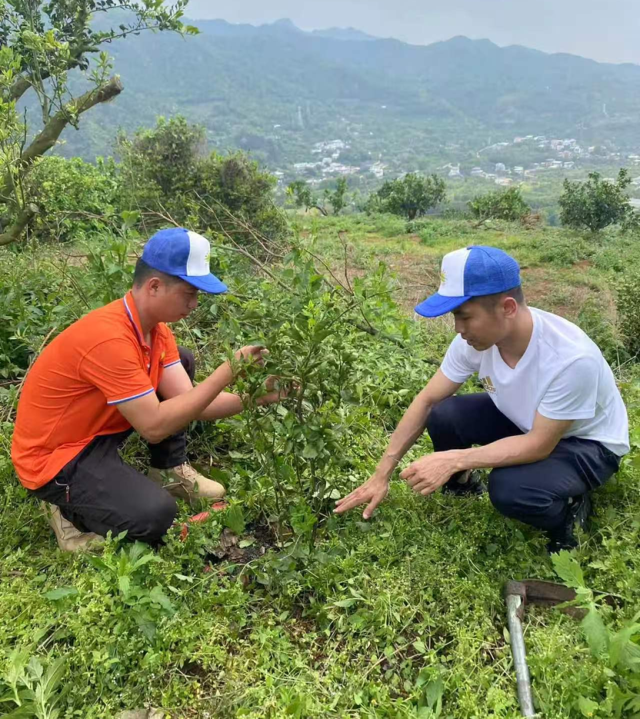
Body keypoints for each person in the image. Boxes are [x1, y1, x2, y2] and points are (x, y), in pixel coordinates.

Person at [335, 245, 629, 552]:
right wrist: (381, 474)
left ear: (508, 308)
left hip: (586, 443)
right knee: (444, 414)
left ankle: (568, 512)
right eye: (454, 317)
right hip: (529, 420)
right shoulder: (475, 341)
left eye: (465, 317)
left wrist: (454, 458)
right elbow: (427, 400)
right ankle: (462, 485)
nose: (458, 329)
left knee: (510, 488)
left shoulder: (570, 359)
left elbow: (539, 444)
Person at [12, 227, 285, 552]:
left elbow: (195, 403)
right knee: (155, 516)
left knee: (180, 360)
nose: (195, 304)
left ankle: (167, 470)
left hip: (95, 434)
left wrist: (259, 397)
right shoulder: (110, 339)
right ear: (155, 286)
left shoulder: (155, 332)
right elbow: (154, 427)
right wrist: (229, 370)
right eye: (189, 293)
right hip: (57, 458)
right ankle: (69, 515)